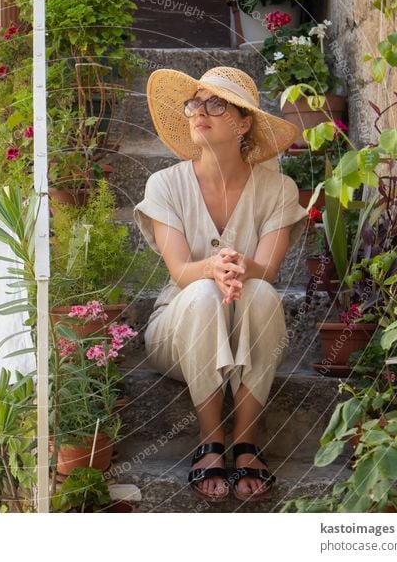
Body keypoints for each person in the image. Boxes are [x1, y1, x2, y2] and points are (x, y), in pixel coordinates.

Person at [133, 66, 308, 502]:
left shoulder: (278, 188)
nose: (199, 112)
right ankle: (212, 440)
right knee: (204, 293)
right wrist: (214, 267)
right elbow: (178, 270)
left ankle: (245, 443)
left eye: (215, 104)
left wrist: (238, 266)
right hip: (179, 329)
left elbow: (267, 270)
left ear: (243, 121)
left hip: (249, 324)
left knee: (262, 291)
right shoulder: (166, 184)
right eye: (194, 104)